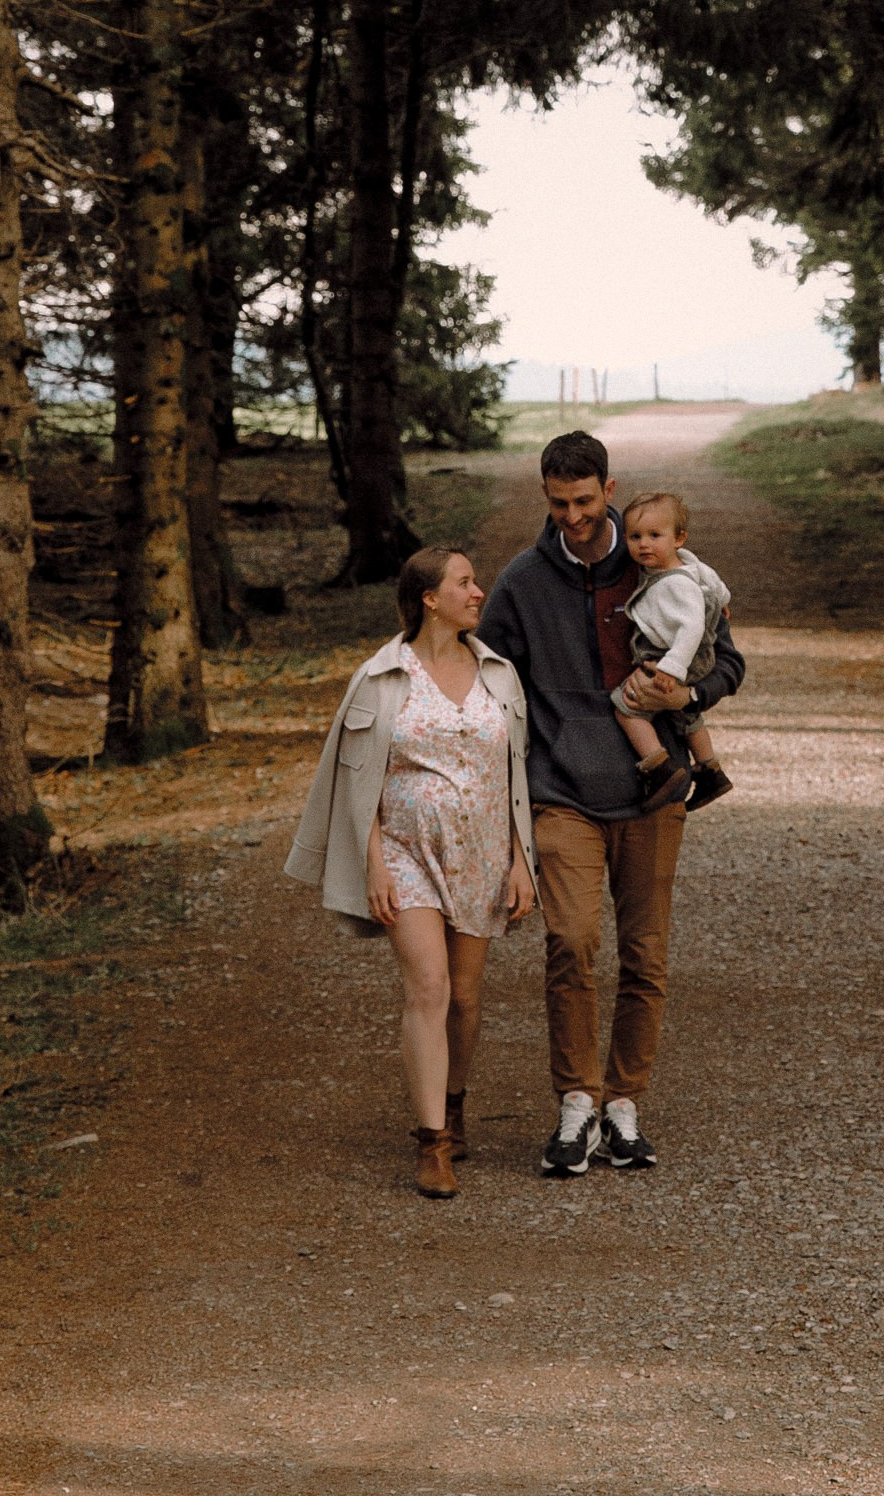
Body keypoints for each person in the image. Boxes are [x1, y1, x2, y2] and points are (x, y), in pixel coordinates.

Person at [477, 429, 744, 1178]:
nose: (572, 517)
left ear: (610, 490)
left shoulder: (659, 559)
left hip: (655, 794)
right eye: (558, 503)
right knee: (570, 941)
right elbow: (486, 681)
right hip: (562, 792)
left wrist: (691, 695)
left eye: (585, 501)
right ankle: (577, 1102)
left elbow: (728, 659)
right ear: (545, 496)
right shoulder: (523, 581)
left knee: (645, 954)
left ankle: (624, 1104)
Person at [286, 545, 537, 1198]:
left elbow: (515, 775)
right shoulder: (381, 677)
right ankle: (432, 1143)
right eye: (465, 583)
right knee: (429, 985)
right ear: (430, 599)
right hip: (404, 852)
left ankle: (454, 1103)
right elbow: (357, 780)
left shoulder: (498, 674)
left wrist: (521, 861)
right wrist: (373, 865)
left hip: (482, 853)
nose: (478, 592)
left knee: (466, 995)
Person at [609, 489, 736, 811]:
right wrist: (722, 601)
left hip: (679, 655)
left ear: (679, 538)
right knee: (687, 714)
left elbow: (692, 627)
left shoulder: (676, 584)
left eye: (655, 536)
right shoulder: (689, 563)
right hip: (688, 655)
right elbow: (712, 580)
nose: (644, 544)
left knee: (627, 706)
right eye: (635, 537)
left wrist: (671, 668)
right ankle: (710, 770)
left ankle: (658, 767)